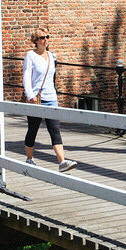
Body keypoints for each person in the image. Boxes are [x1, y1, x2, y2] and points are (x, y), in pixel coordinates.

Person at [22, 29, 76, 172]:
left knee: (55, 130)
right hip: (36, 99)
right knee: (33, 130)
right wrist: (30, 96)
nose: (45, 40)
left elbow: (52, 79)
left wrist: (55, 95)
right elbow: (27, 76)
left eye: (47, 37)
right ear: (35, 41)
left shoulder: (52, 57)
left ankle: (62, 162)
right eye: (41, 38)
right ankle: (29, 158)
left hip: (51, 98)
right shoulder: (30, 55)